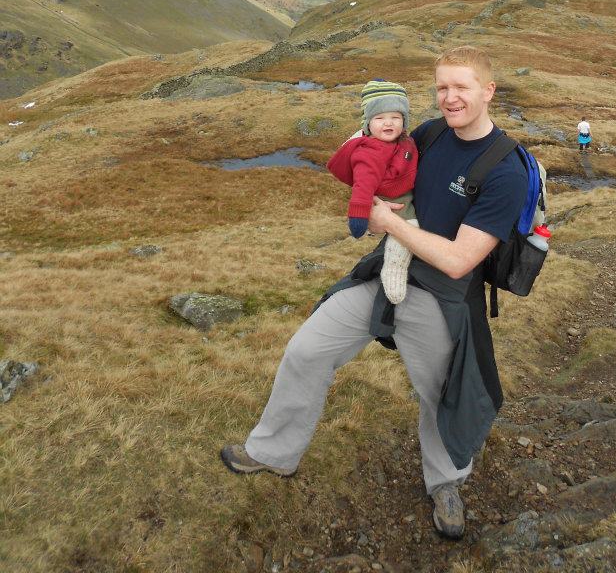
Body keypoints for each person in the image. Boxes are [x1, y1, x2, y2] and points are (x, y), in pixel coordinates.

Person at [220, 47, 528, 540]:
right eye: (442, 88)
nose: (450, 99)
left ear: (488, 91)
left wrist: (384, 221)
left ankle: (446, 482)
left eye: (462, 87)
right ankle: (271, 452)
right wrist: (361, 152)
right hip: (385, 273)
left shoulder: (505, 170)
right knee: (306, 350)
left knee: (440, 395)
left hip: (444, 297)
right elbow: (375, 164)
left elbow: (458, 260)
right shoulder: (428, 135)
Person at [326, 78, 419, 304]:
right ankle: (393, 270)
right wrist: (359, 217)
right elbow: (363, 188)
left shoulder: (400, 141)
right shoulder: (370, 152)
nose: (388, 123)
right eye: (379, 118)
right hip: (394, 200)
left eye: (395, 117)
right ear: (368, 123)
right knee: (409, 231)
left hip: (403, 193)